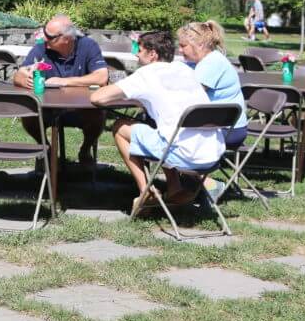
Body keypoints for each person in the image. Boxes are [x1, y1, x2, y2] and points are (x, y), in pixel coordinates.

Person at [91, 30, 225, 213]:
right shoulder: (184, 69)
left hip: (181, 155)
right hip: (211, 155)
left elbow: (97, 98)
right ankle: (175, 188)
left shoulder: (146, 74)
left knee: (120, 127)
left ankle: (145, 190)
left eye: (139, 48)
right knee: (160, 129)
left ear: (152, 53)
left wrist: (128, 96)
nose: (136, 53)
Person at [13, 14, 108, 165]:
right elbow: (20, 73)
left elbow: (102, 77)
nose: (44, 38)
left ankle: (85, 150)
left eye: (49, 36)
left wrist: (64, 82)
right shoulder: (42, 47)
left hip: (82, 110)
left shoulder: (88, 46)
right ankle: (45, 149)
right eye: (44, 33)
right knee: (29, 114)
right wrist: (23, 78)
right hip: (48, 109)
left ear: (66, 38)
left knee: (98, 114)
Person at [177, 20, 247, 149]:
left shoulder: (211, 63)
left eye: (183, 46)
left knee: (162, 133)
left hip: (227, 129)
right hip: (216, 124)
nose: (179, 50)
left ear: (200, 44)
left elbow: (190, 95)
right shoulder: (203, 61)